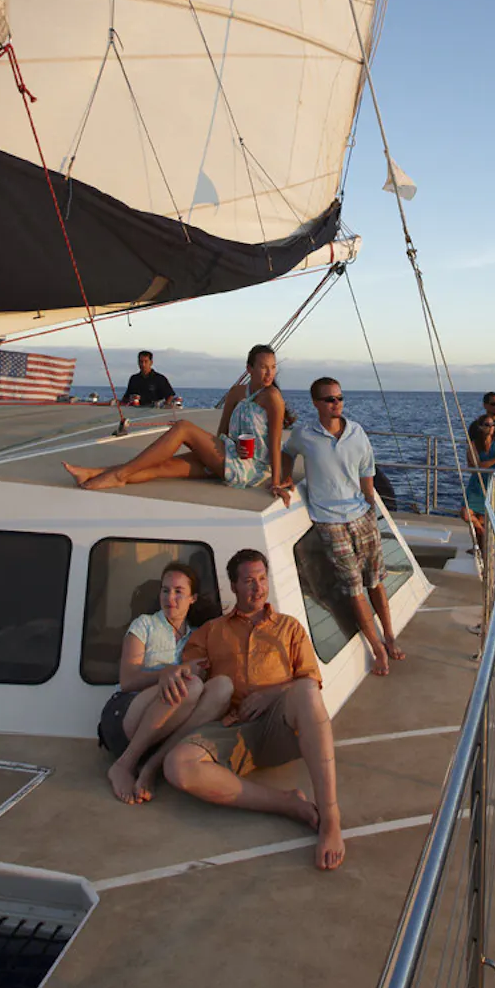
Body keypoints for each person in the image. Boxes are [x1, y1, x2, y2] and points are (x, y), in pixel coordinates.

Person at [163, 549, 346, 870]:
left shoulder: (289, 628)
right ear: (233, 586)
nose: (258, 588)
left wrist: (272, 694)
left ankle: (330, 817)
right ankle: (287, 804)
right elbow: (192, 673)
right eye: (249, 581)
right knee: (177, 766)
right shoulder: (212, 631)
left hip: (280, 728)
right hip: (232, 728)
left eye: (262, 579)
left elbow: (311, 680)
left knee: (303, 690)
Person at [65, 344, 293, 504]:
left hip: (250, 467)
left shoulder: (273, 398)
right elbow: (221, 433)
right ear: (249, 369)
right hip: (227, 454)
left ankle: (117, 476)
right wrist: (209, 458)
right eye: (264, 367)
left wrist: (275, 483)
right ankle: (93, 473)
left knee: (183, 427)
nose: (269, 373)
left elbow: (275, 445)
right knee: (161, 467)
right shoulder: (236, 393)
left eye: (273, 367)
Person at [286, 378, 405, 677]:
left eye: (339, 398)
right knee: (354, 589)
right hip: (330, 522)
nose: (336, 403)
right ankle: (378, 649)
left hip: (361, 516)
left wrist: (368, 503)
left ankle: (389, 636)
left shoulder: (356, 432)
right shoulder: (305, 435)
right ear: (316, 403)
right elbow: (288, 453)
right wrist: (284, 479)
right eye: (329, 399)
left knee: (375, 580)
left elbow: (368, 468)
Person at [97, 563, 232, 804]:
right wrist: (169, 672)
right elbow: (128, 681)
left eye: (179, 591)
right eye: (165, 590)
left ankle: (152, 764)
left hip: (164, 733)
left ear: (192, 599)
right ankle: (123, 764)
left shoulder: (199, 635)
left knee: (223, 686)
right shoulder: (144, 625)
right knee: (190, 686)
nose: (170, 597)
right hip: (126, 717)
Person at [462, 413, 495, 547]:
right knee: (466, 515)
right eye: (487, 425)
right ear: (480, 427)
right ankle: (483, 535)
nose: (491, 428)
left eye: (492, 425)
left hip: (493, 487)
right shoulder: (473, 446)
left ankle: (480, 551)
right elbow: (477, 466)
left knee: (482, 520)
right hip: (477, 486)